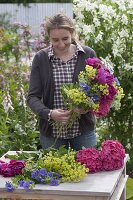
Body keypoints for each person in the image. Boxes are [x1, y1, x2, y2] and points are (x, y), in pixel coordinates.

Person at [27, 13, 97, 151]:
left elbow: (100, 89)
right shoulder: (41, 58)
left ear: (72, 33)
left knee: (89, 170)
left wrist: (87, 107)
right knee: (55, 172)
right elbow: (32, 97)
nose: (61, 44)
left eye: (65, 38)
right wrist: (50, 113)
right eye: (55, 40)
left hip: (83, 131)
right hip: (52, 133)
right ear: (49, 37)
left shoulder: (88, 54)